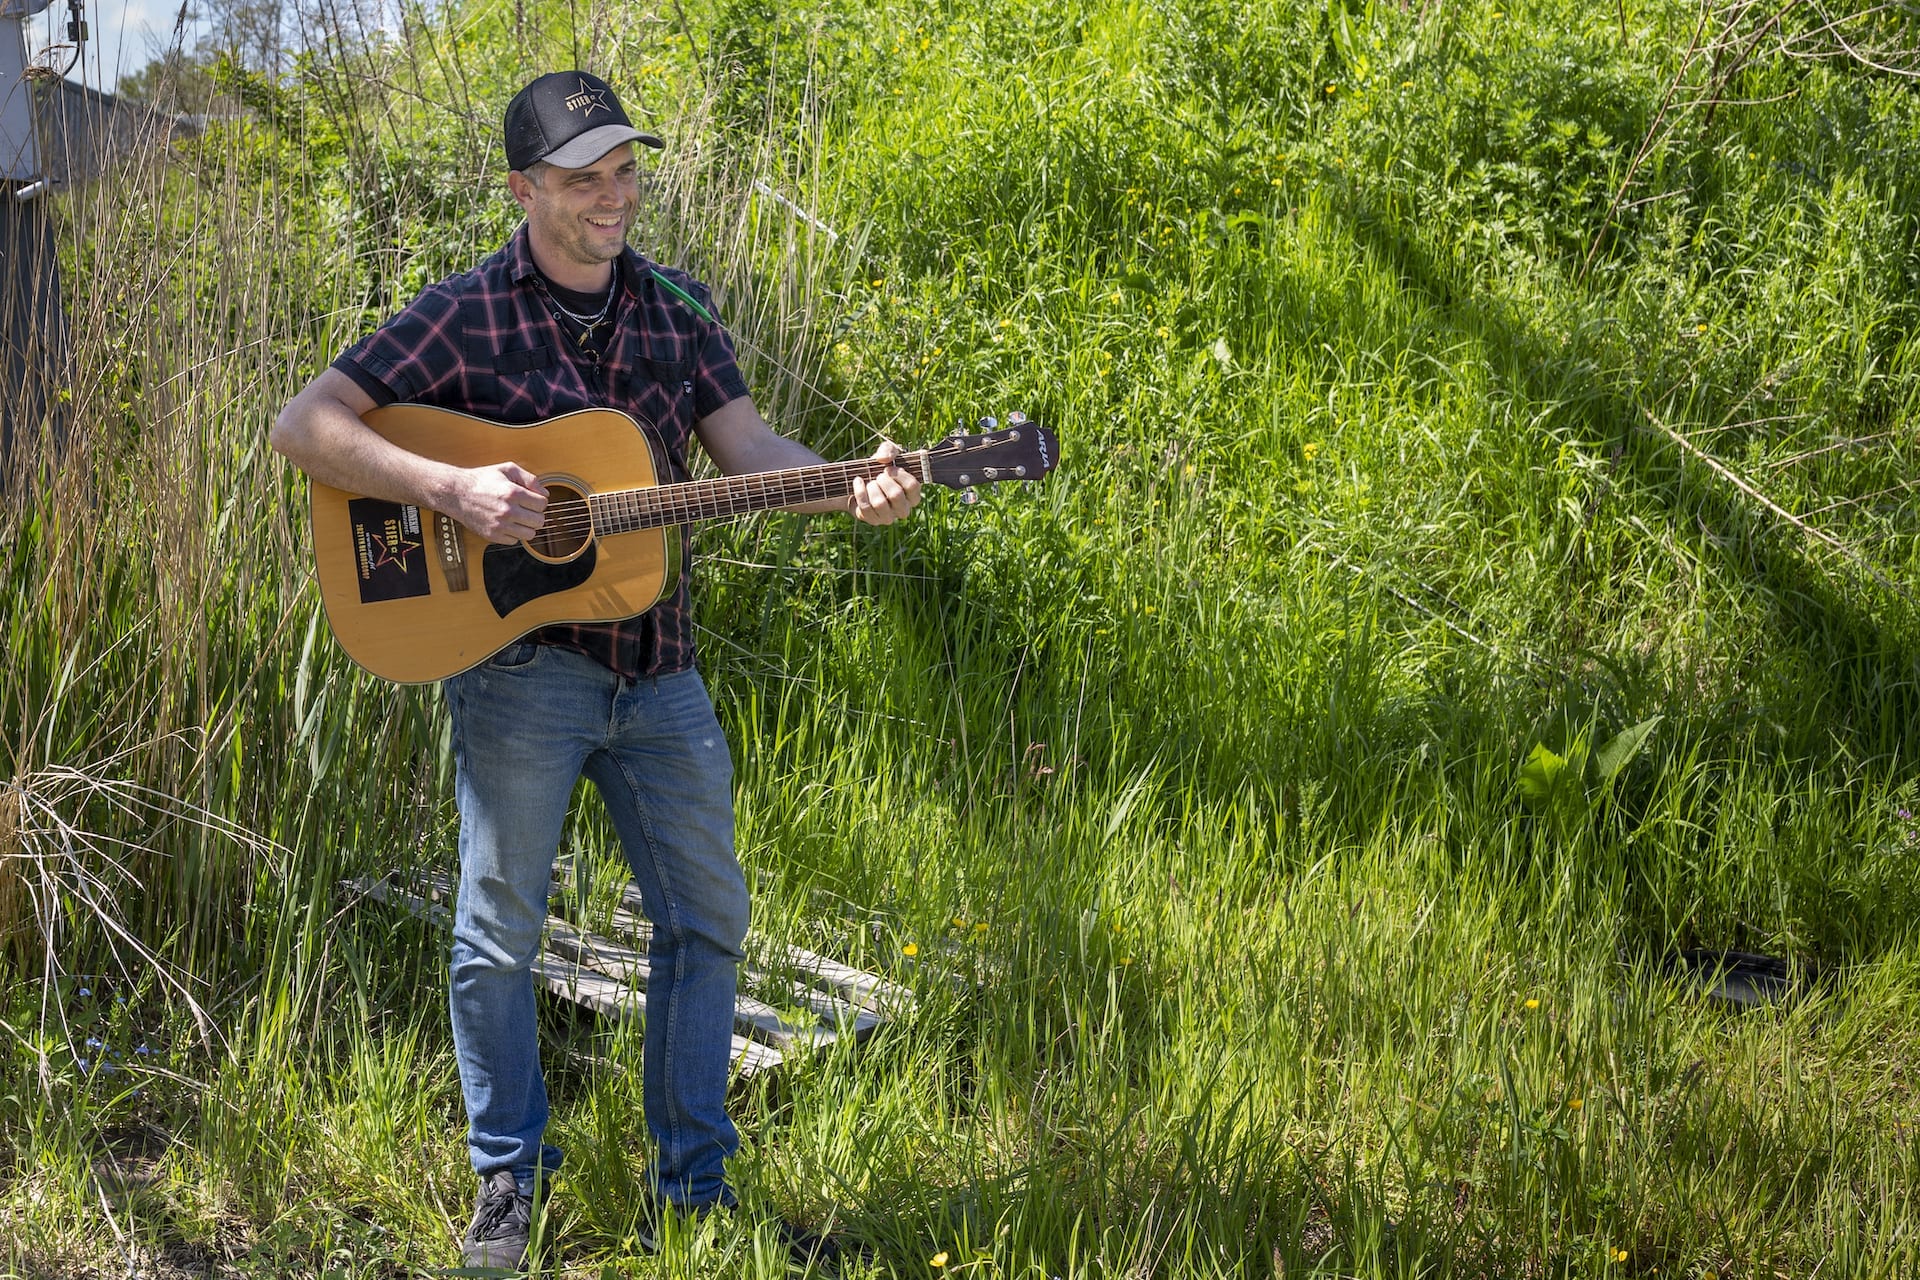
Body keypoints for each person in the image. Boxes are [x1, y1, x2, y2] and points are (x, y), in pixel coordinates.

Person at [271, 70, 921, 1270]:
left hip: (656, 666)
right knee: (498, 930)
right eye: (584, 179)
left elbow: (747, 448)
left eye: (625, 171)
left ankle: (693, 1191)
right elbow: (306, 424)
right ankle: (508, 1181)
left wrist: (848, 481)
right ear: (524, 189)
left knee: (709, 918)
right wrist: (452, 487)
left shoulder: (678, 311)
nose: (613, 198)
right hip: (517, 669)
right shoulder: (463, 313)